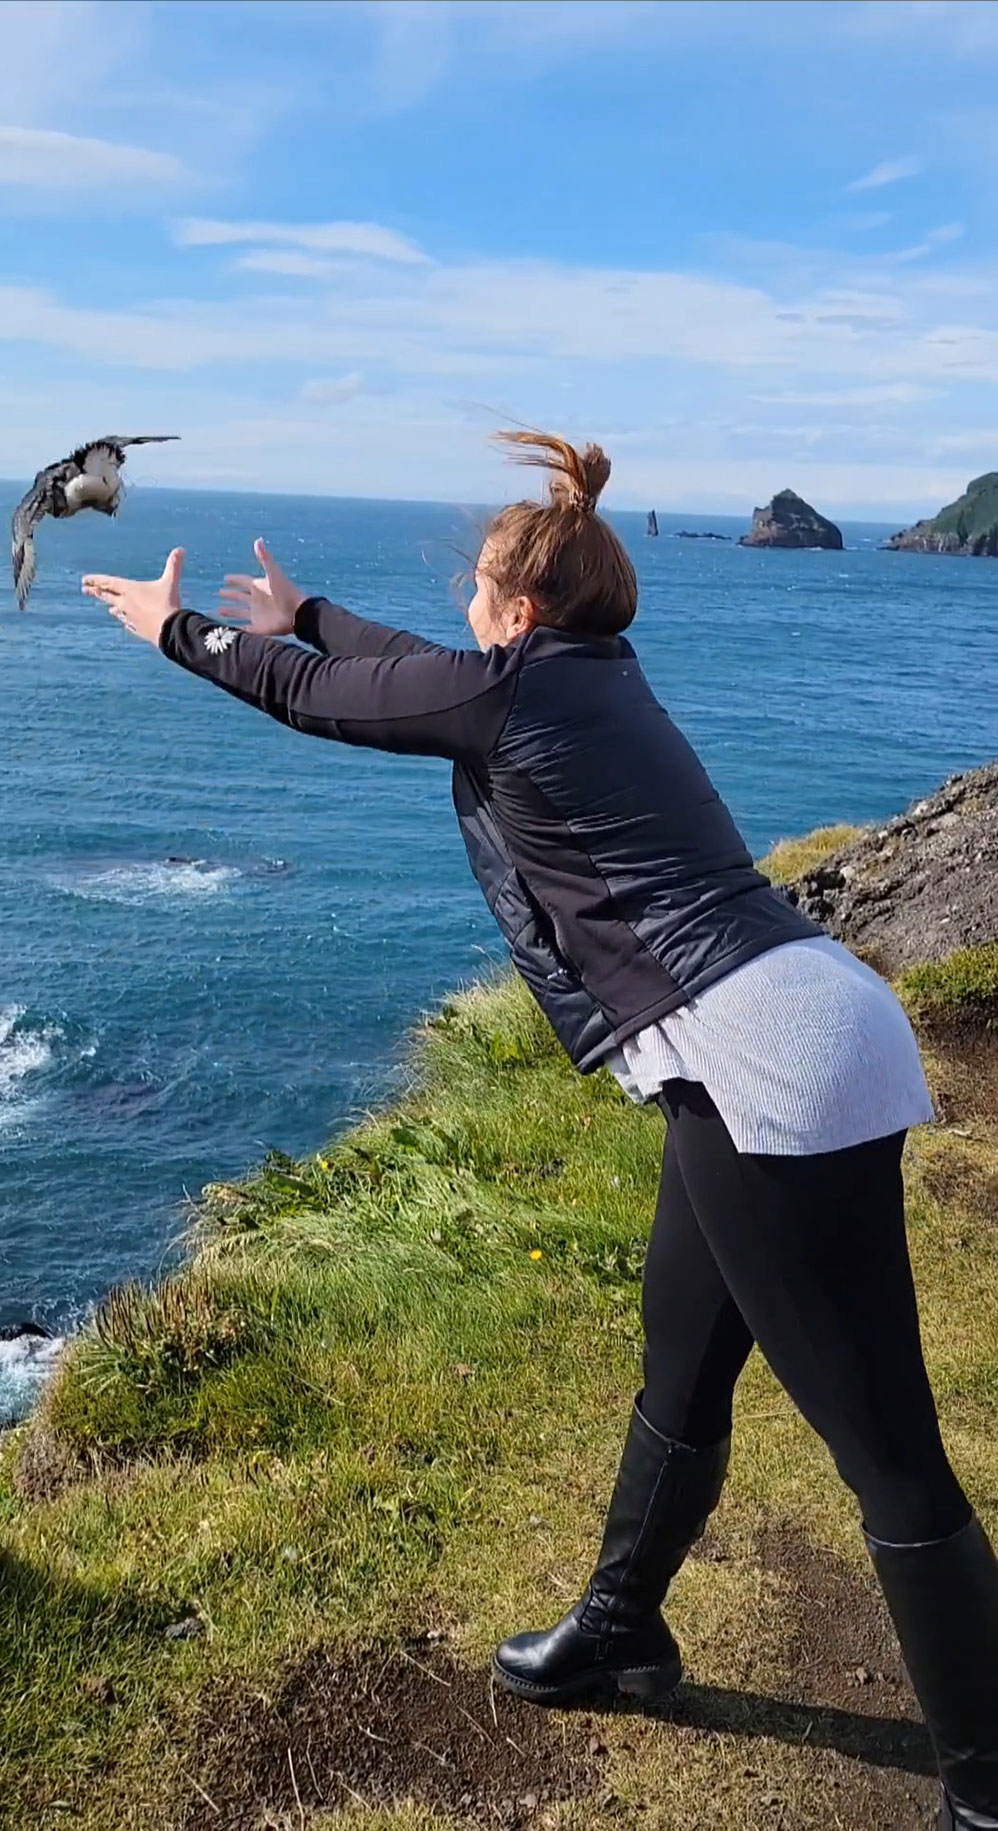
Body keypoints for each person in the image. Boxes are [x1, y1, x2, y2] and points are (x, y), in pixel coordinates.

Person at [82, 432, 998, 1831]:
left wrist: (183, 634)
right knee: (680, 1360)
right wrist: (309, 615)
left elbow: (344, 702)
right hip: (780, 1026)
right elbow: (405, 679)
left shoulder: (515, 694)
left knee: (885, 1452)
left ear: (511, 607)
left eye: (475, 595)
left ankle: (986, 1789)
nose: (466, 615)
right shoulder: (578, 676)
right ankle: (618, 1632)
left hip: (775, 1056)